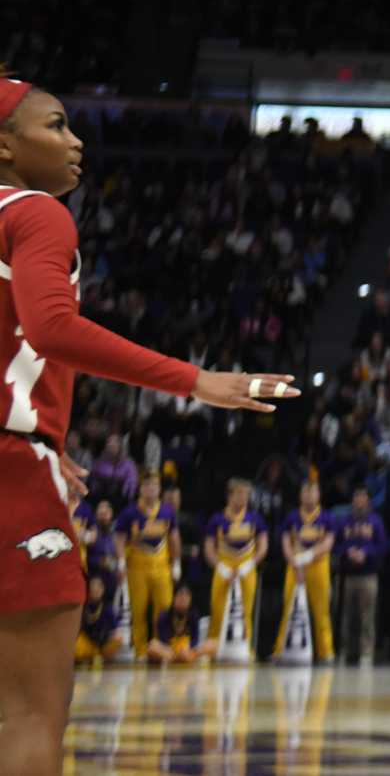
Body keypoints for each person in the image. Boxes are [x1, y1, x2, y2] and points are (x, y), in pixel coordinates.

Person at [0, 72, 293, 772]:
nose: (76, 142)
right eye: (57, 125)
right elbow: (51, 326)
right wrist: (196, 380)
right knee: (31, 716)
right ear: (5, 146)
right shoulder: (36, 211)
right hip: (12, 481)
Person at [205, 478, 270, 656]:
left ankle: (244, 650)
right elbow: (209, 548)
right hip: (223, 568)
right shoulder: (217, 519)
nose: (243, 498)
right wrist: (220, 566)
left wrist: (251, 563)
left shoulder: (255, 519)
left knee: (245, 612)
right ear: (230, 496)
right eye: (239, 494)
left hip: (246, 570)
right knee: (217, 611)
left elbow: (263, 545)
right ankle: (212, 651)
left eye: (246, 495)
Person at [116, 477, 178, 657]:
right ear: (140, 489)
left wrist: (177, 562)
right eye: (147, 485)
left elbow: (174, 537)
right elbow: (119, 539)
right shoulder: (129, 512)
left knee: (164, 609)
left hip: (161, 568)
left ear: (159, 489)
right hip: (137, 568)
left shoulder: (167, 511)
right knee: (138, 610)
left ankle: (161, 649)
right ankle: (140, 650)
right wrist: (120, 562)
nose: (151, 489)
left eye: (155, 486)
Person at [279, 476, 337, 662]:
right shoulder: (292, 517)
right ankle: (281, 649)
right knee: (289, 607)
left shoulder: (327, 518)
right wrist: (294, 560)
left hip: (318, 567)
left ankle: (325, 652)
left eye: (313, 492)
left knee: (321, 611)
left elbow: (328, 543)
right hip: (295, 567)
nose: (309, 496)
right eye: (306, 492)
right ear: (300, 495)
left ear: (319, 495)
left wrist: (309, 556)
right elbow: (286, 541)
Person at [336, 485, 386, 666]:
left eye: (362, 498)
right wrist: (348, 552)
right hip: (348, 575)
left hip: (368, 575)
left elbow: (381, 546)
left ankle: (366, 653)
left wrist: (365, 553)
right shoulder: (344, 521)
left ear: (368, 501)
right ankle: (345, 650)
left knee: (367, 616)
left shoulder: (376, 522)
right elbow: (337, 545)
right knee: (347, 616)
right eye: (356, 498)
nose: (359, 501)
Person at [145, 583, 213, 666]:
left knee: (212, 644)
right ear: (174, 598)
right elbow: (162, 638)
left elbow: (195, 638)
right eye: (180, 596)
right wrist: (173, 650)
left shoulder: (194, 615)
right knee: (152, 645)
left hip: (186, 650)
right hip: (169, 651)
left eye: (186, 597)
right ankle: (181, 659)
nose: (183, 599)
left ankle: (184, 658)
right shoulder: (164, 616)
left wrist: (188, 647)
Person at [73, 575, 124, 665]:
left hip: (103, 644)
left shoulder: (108, 609)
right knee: (75, 645)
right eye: (93, 589)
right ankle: (90, 657)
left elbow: (116, 628)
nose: (96, 591)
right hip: (88, 643)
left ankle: (101, 657)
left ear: (102, 590)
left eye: (98, 589)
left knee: (118, 638)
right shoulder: (83, 607)